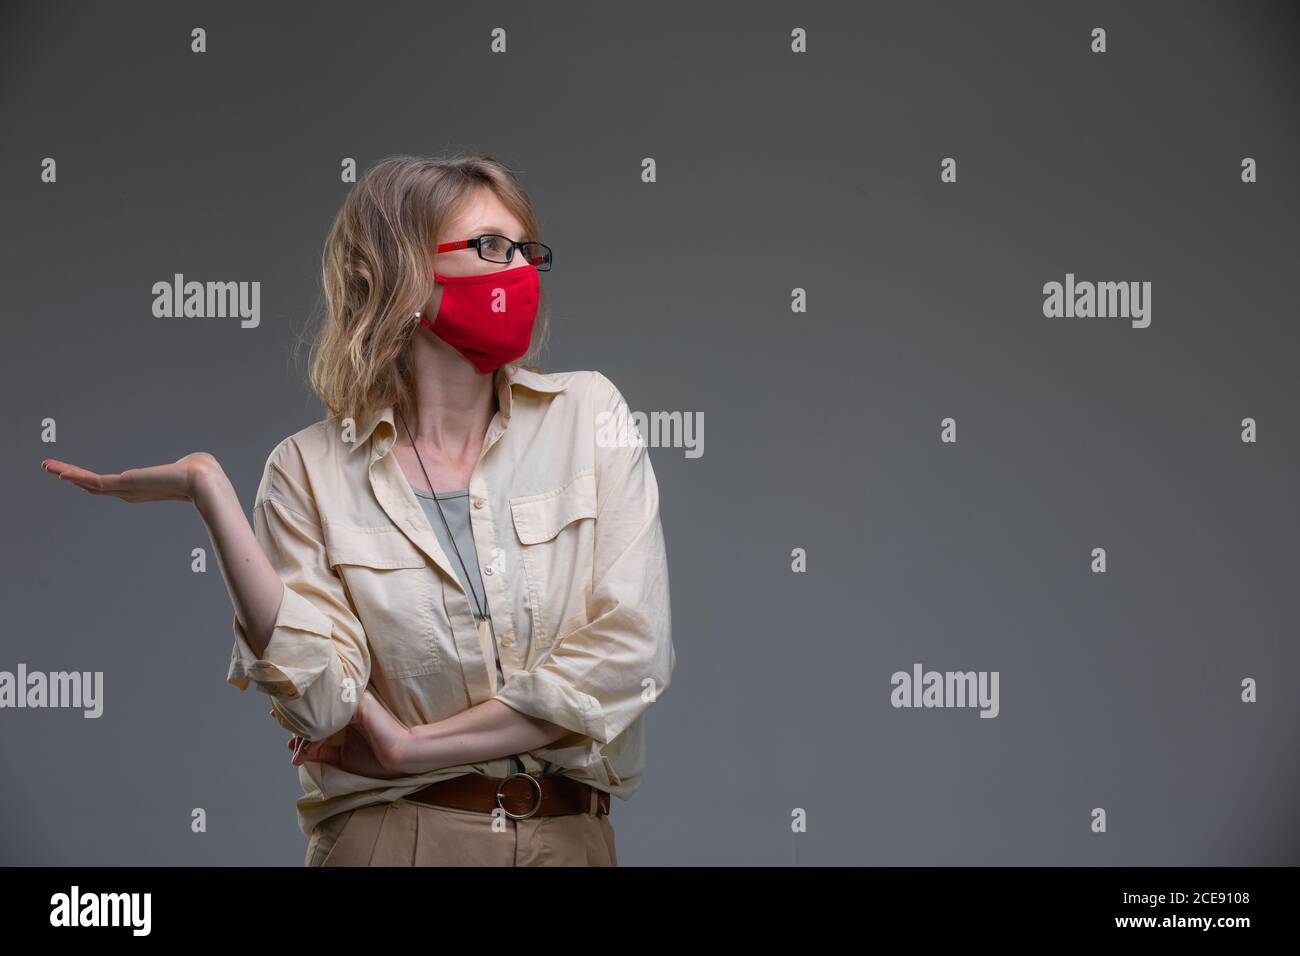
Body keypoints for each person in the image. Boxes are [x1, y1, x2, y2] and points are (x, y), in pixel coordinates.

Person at [40, 154, 675, 866]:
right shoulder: (307, 470)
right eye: (491, 248)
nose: (519, 271)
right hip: (394, 842)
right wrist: (210, 492)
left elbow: (630, 657)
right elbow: (321, 706)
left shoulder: (591, 415)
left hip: (572, 840)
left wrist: (410, 747)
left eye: (528, 252)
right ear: (402, 271)